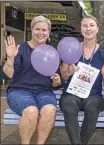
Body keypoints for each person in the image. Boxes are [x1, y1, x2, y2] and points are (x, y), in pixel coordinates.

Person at [3, 15, 61, 144]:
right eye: (37, 29)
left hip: (44, 91)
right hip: (19, 91)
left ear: (49, 32)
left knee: (50, 110)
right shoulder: (21, 49)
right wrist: (10, 59)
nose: (41, 33)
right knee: (31, 111)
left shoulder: (52, 52)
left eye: (44, 30)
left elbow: (55, 81)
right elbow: (9, 74)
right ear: (32, 30)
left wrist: (56, 81)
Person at [59, 15, 104, 145]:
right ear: (81, 29)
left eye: (92, 25)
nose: (88, 28)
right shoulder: (71, 48)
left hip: (93, 95)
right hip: (72, 93)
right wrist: (69, 72)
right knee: (68, 104)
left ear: (97, 29)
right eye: (85, 26)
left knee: (93, 107)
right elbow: (64, 76)